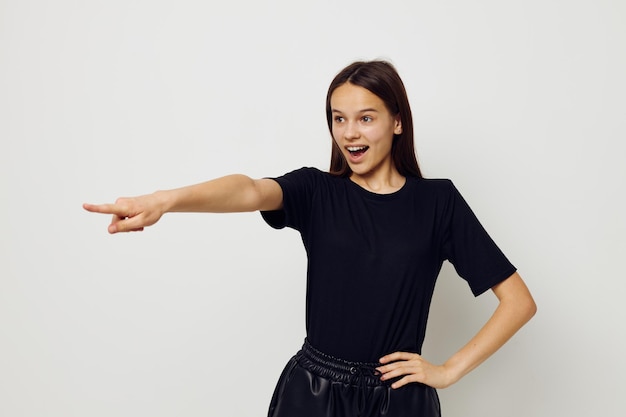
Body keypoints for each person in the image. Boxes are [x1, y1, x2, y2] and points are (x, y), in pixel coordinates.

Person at [83, 60, 536, 417]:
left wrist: (448, 370)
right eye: (339, 119)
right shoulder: (316, 191)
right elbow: (248, 188)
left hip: (400, 400)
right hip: (314, 396)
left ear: (397, 122)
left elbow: (518, 301)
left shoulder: (438, 202)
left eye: (365, 118)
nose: (349, 132)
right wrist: (166, 200)